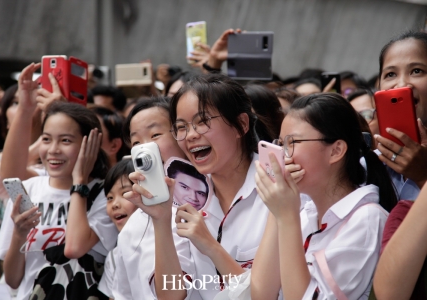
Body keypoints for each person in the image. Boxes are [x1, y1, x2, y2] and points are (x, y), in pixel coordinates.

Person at [127, 74, 269, 299]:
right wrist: (161, 221)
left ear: (241, 124)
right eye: (181, 127)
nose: (190, 136)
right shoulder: (182, 197)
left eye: (203, 122)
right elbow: (171, 294)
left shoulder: (278, 189)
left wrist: (211, 246)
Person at [250, 93, 397, 299]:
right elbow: (261, 294)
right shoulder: (304, 212)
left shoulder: (367, 220)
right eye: (281, 143)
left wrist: (286, 216)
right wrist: (277, 211)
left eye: (292, 142)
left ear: (336, 151)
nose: (283, 154)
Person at [0, 100, 117, 300]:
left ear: (90, 144)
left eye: (66, 140)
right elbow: (13, 279)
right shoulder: (28, 190)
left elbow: (75, 248)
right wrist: (19, 234)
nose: (53, 150)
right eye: (46, 139)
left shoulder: (106, 194)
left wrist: (80, 183)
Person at [112, 97, 195, 300]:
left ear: (181, 134)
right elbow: (122, 294)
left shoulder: (212, 203)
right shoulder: (132, 226)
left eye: (155, 134)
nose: (145, 149)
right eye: (137, 142)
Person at [374, 30, 427, 201]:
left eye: (417, 71)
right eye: (390, 74)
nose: (402, 84)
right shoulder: (369, 163)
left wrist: (421, 176)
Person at [98, 159, 137, 300]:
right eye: (109, 197)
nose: (115, 204)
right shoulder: (114, 257)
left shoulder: (170, 242)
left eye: (125, 193)